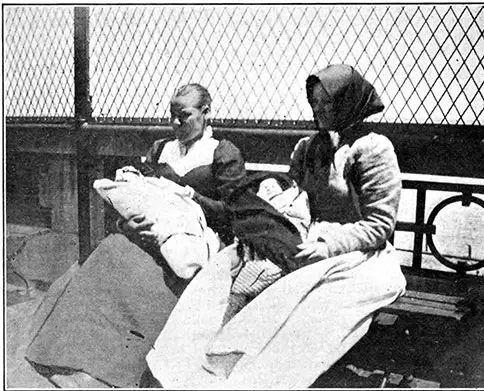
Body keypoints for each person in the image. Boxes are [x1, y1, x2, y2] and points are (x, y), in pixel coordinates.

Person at [146, 64, 406, 389]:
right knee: (222, 270)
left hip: (358, 256)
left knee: (300, 322)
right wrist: (275, 217)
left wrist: (328, 245)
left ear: (352, 103)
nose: (320, 111)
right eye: (316, 103)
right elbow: (297, 199)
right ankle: (185, 372)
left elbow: (379, 225)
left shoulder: (373, 149)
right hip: (300, 240)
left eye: (329, 104)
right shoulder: (308, 148)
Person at [25, 83, 246, 388]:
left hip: (193, 241)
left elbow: (234, 212)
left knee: (149, 283)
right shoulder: (160, 149)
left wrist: (192, 196)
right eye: (171, 116)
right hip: (150, 233)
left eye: (184, 116)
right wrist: (127, 226)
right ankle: (69, 357)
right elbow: (137, 194)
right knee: (111, 252)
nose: (175, 123)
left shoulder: (222, 152)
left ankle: (115, 372)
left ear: (206, 113)